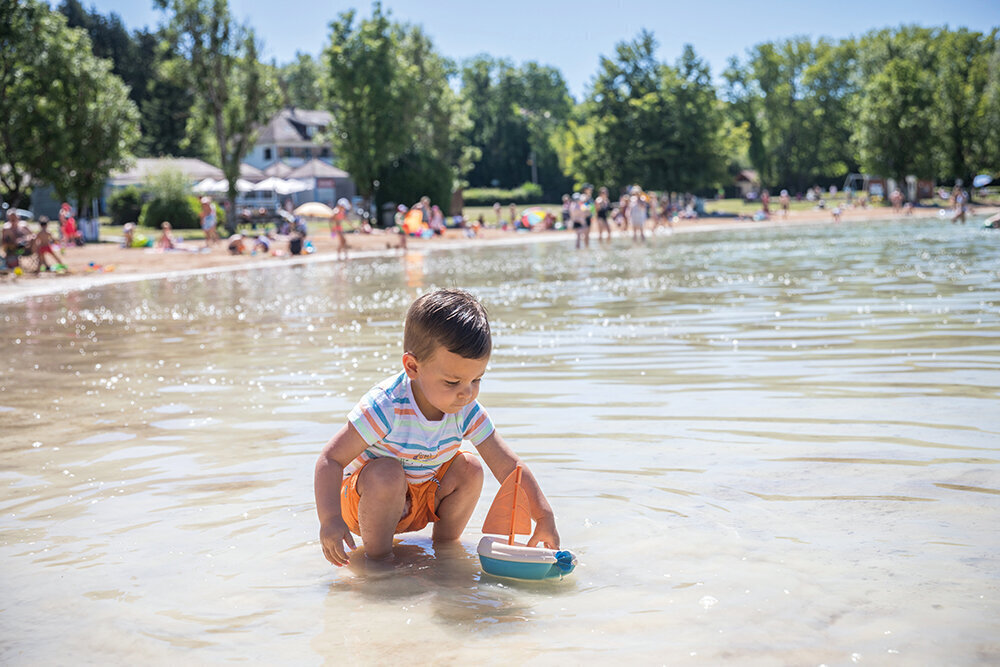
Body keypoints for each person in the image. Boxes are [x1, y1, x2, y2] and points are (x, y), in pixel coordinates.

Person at [314, 289, 561, 567]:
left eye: (476, 380)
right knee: (387, 473)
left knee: (471, 468)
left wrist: (543, 516)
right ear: (412, 366)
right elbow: (330, 459)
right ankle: (379, 564)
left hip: (422, 499)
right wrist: (330, 520)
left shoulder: (465, 409)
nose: (466, 394)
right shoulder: (387, 407)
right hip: (366, 505)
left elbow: (509, 466)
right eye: (453, 382)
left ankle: (446, 554)